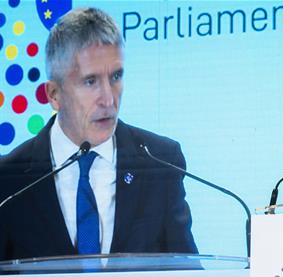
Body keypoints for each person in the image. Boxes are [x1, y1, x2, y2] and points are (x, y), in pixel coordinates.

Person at [0, 8, 197, 261]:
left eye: (116, 76)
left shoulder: (160, 162)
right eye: (90, 81)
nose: (108, 99)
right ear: (54, 95)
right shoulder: (8, 180)